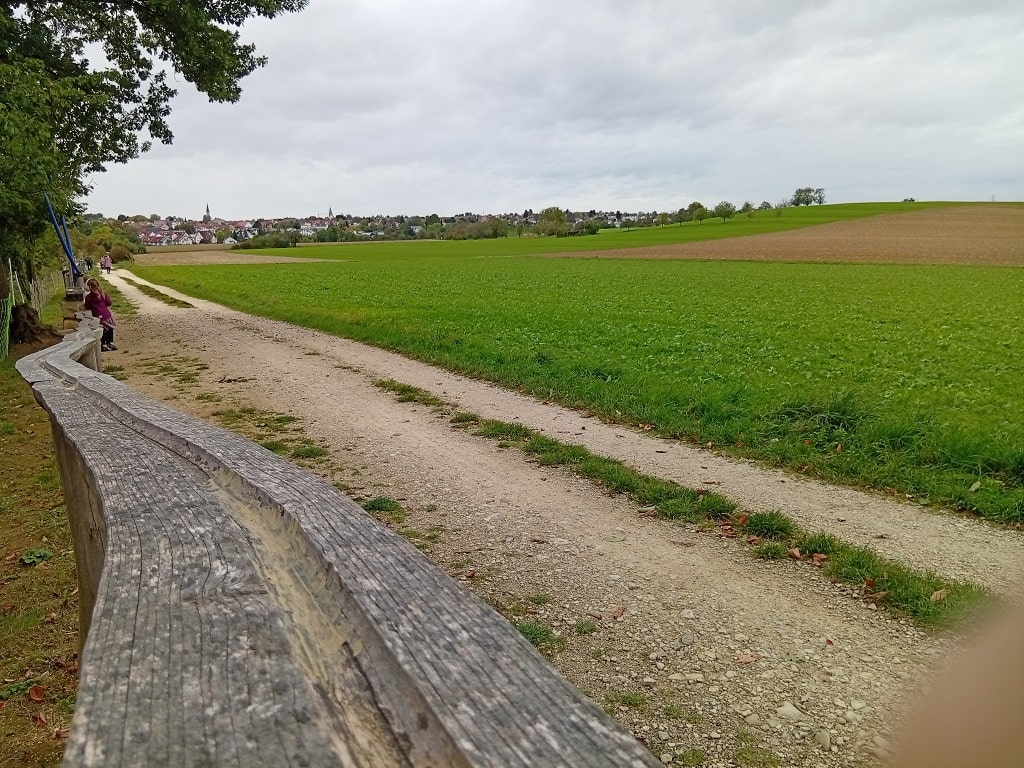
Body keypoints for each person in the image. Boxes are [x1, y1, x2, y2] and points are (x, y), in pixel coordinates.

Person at [84, 278, 117, 351]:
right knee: (109, 329)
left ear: (89, 287)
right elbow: (109, 303)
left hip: (98, 316)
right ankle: (110, 342)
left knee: (103, 330)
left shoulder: (89, 297)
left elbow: (88, 306)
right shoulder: (103, 294)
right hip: (107, 315)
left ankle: (103, 344)